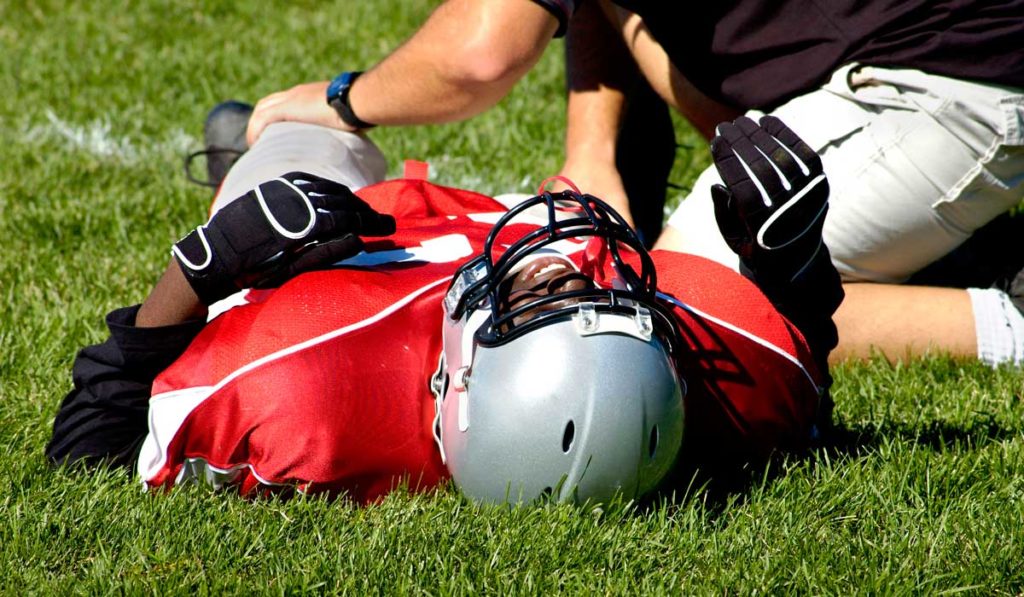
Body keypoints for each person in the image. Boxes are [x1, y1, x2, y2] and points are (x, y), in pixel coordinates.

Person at [47, 114, 841, 504]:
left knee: (307, 142)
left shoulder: (300, 384)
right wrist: (797, 261)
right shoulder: (673, 368)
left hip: (350, 235)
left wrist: (206, 261)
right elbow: (798, 383)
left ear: (459, 388)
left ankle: (259, 134)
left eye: (540, 298)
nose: (572, 271)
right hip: (494, 218)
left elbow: (88, 450)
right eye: (593, 294)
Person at [238, 0, 1024, 368]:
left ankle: (1007, 318)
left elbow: (477, 53)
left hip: (945, 79)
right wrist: (593, 154)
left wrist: (343, 98)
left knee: (692, 300)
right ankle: (962, 252)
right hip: (917, 65)